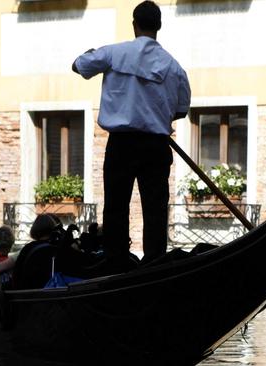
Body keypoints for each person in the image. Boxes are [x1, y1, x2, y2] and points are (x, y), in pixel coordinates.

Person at [72, 1, 191, 270]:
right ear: (158, 27)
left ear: (134, 24)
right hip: (156, 145)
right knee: (155, 210)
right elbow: (181, 111)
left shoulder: (114, 53)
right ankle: (154, 265)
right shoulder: (175, 68)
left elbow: (79, 66)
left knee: (116, 206)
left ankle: (115, 264)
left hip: (122, 144)